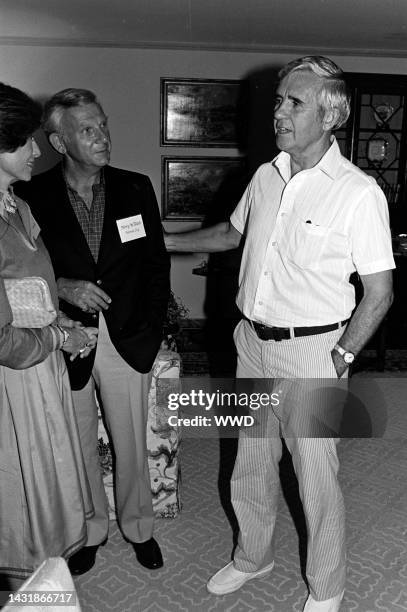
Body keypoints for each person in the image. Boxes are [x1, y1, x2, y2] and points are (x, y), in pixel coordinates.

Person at [164, 56, 394, 611]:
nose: (279, 112)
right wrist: (161, 244)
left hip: (315, 348)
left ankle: (328, 587)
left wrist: (340, 355)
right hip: (252, 342)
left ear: (330, 114)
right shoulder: (266, 175)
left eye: (294, 102)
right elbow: (229, 233)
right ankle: (252, 556)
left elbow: (380, 291)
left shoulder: (358, 193)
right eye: (278, 100)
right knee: (251, 459)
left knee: (315, 477)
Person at [17, 88, 170, 575]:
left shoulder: (135, 187)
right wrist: (63, 286)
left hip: (127, 338)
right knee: (79, 443)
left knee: (131, 443)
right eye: (88, 129)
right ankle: (91, 530)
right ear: (60, 142)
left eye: (103, 125)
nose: (103, 136)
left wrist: (150, 332)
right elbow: (23, 273)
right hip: (67, 340)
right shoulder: (29, 195)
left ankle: (139, 526)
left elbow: (154, 265)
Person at [0, 83, 98, 582]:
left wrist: (58, 322)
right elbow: (2, 341)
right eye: (24, 142)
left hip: (40, 372)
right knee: (24, 519)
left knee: (47, 509)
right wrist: (60, 340)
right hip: (13, 383)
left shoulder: (16, 206)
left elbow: (29, 291)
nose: (37, 151)